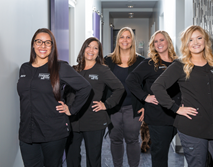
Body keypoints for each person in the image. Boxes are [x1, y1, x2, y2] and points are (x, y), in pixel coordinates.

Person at [17, 28, 91, 167]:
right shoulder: (24, 68)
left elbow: (85, 87)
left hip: (53, 131)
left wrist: (72, 109)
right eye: (38, 42)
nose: (42, 46)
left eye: (47, 42)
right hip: (27, 132)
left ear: (52, 46)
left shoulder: (60, 67)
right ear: (33, 44)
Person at [151, 25, 213, 167]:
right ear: (186, 44)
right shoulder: (180, 65)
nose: (196, 42)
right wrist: (176, 108)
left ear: (205, 41)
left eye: (199, 38)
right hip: (192, 127)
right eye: (190, 40)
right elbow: (157, 86)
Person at [65, 37, 124, 167]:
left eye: (95, 48)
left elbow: (119, 88)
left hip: (94, 121)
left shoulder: (102, 70)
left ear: (98, 52)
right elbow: (67, 92)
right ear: (83, 49)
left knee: (93, 159)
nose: (91, 50)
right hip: (73, 121)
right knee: (71, 157)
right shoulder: (74, 69)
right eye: (88, 46)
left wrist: (106, 104)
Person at [126, 30, 181, 167]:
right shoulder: (150, 63)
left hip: (177, 114)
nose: (159, 43)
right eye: (155, 41)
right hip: (158, 116)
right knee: (160, 154)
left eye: (161, 40)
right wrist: (145, 97)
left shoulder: (179, 63)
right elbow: (131, 80)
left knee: (166, 149)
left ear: (168, 41)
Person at [104, 27, 144, 167]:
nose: (125, 40)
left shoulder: (141, 61)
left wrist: (145, 106)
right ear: (117, 40)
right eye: (122, 37)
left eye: (128, 37)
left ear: (132, 40)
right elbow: (102, 84)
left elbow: (147, 86)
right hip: (113, 108)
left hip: (133, 108)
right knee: (115, 139)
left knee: (132, 140)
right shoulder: (108, 60)